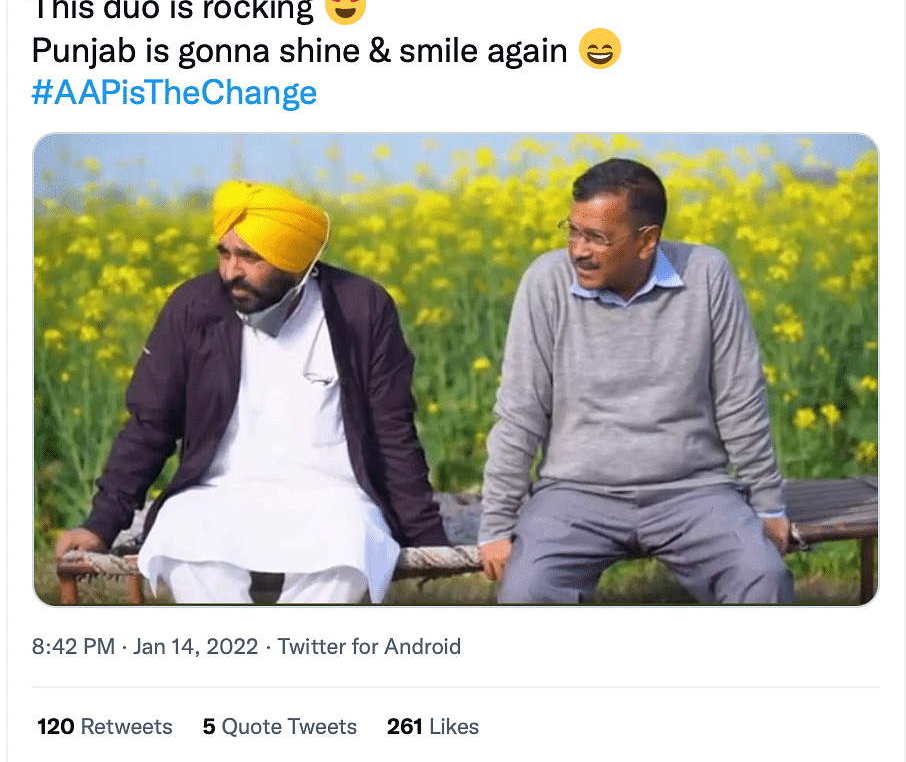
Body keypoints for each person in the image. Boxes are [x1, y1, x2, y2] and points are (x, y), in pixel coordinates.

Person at [55, 181, 448, 603]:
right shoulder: (194, 306)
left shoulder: (361, 307)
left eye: (250, 257)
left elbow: (392, 429)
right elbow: (150, 425)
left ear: (295, 261)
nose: (231, 272)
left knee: (352, 543)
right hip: (216, 495)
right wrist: (100, 525)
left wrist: (426, 534)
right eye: (224, 253)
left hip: (333, 498)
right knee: (181, 531)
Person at [478, 158, 794, 604]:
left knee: (763, 578)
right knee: (527, 593)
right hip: (574, 496)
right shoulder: (546, 282)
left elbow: (739, 398)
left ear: (647, 241)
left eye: (597, 238)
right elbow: (519, 411)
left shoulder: (706, 274)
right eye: (572, 230)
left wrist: (767, 502)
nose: (578, 250)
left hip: (693, 492)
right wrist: (496, 524)